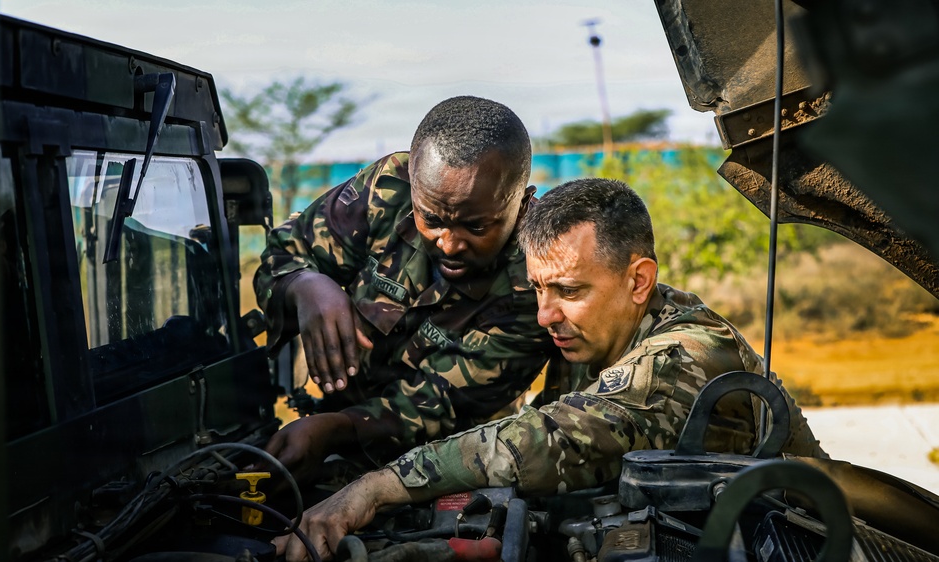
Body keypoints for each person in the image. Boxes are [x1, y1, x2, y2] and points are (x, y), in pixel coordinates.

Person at [273, 178, 826, 561]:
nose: (545, 315)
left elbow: (545, 440)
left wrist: (374, 489)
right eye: (539, 288)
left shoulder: (686, 356)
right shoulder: (595, 337)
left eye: (569, 291)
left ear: (638, 281)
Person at [253, 96, 556, 480]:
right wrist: (305, 284)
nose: (448, 243)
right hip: (325, 427)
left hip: (454, 467)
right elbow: (283, 253)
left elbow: (439, 406)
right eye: (431, 218)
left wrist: (331, 430)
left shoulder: (537, 282)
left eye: (476, 227)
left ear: (523, 206)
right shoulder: (388, 187)